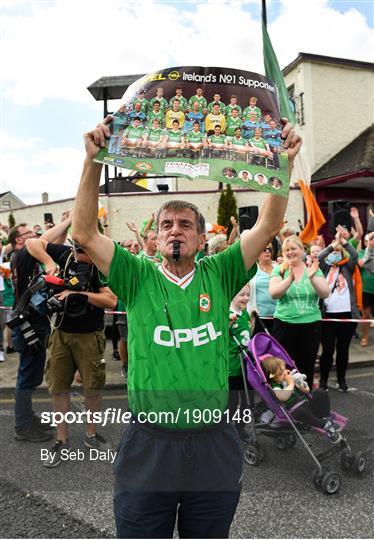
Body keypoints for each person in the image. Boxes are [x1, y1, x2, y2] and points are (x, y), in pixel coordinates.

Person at [72, 114, 301, 538]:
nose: (175, 229)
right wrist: (92, 162)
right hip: (149, 443)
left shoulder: (221, 270)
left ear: (199, 238)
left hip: (214, 440)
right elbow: (85, 232)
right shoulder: (135, 274)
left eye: (185, 224)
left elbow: (268, 225)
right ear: (155, 239)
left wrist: (282, 163)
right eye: (166, 224)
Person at [25, 234, 117, 466]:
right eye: (77, 250)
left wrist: (79, 294)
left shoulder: (100, 265)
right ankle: (61, 440)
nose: (80, 256)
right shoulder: (65, 256)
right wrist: (48, 263)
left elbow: (111, 301)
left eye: (84, 251)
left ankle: (91, 435)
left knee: (92, 388)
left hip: (90, 335)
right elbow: (31, 243)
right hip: (61, 333)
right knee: (58, 388)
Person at [8, 217, 73, 442]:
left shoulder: (23, 257)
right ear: (19, 240)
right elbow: (39, 244)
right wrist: (70, 220)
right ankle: (23, 426)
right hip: (29, 325)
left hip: (33, 323)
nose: (33, 238)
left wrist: (64, 227)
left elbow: (47, 245)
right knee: (27, 377)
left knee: (30, 375)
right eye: (29, 234)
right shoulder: (22, 254)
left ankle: (27, 417)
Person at [269, 235, 330, 389]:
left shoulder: (313, 269)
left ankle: (305, 404)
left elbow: (325, 293)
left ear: (302, 250)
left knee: (306, 368)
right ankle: (285, 404)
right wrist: (289, 279)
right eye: (286, 250)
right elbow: (274, 293)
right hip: (284, 324)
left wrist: (312, 278)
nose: (290, 252)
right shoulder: (279, 269)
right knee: (282, 369)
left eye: (293, 249)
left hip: (310, 325)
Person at [318, 230, 361, 392]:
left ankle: (342, 380)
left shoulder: (347, 267)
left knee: (343, 350)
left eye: (338, 252)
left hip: (346, 316)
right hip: (327, 316)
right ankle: (323, 380)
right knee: (327, 350)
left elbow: (354, 255)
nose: (335, 254)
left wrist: (343, 242)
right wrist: (332, 245)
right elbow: (319, 257)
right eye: (334, 252)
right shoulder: (323, 267)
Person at [261, 356, 342, 444]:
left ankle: (327, 419)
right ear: (271, 376)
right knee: (299, 412)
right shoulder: (275, 386)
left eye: (284, 369)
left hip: (306, 403)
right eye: (280, 373)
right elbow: (283, 397)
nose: (285, 373)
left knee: (320, 392)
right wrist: (291, 383)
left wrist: (299, 383)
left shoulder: (289, 378)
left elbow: (306, 390)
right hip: (295, 411)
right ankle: (325, 426)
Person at [228, 285, 251, 443]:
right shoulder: (228, 315)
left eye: (248, 295)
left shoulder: (245, 314)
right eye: (241, 295)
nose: (245, 298)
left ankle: (240, 427)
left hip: (246, 366)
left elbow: (248, 335)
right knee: (232, 401)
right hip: (232, 367)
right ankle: (227, 429)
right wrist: (228, 324)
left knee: (247, 400)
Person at [248, 243, 277, 334]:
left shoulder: (279, 268)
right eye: (264, 249)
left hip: (279, 317)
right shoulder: (252, 270)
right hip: (259, 317)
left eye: (270, 249)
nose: (268, 252)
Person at [358, 232, 374, 347]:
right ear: (365, 242)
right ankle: (364, 336)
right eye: (370, 239)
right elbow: (362, 264)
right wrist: (369, 248)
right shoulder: (361, 253)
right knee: (366, 314)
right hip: (367, 289)